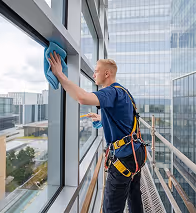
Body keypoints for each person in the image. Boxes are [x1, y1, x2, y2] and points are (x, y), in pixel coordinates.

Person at [49, 52, 145, 213]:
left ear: (107, 73)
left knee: (111, 208)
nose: (93, 74)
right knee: (134, 196)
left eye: (96, 71)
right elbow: (124, 120)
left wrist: (59, 75)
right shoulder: (124, 92)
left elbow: (82, 98)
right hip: (136, 152)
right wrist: (102, 118)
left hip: (124, 157)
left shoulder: (111, 92)